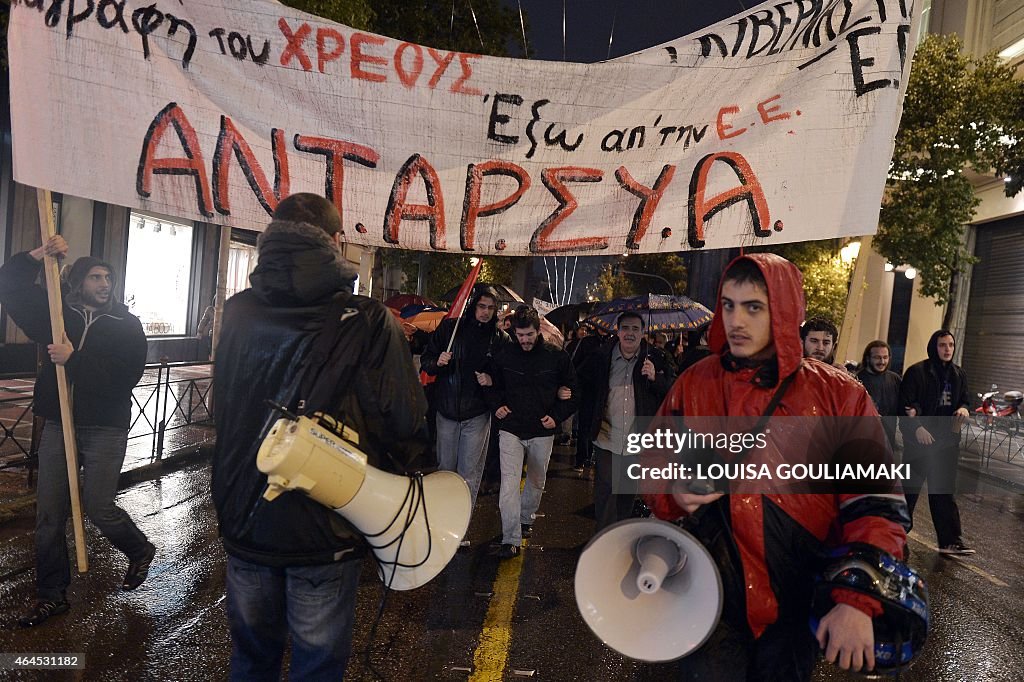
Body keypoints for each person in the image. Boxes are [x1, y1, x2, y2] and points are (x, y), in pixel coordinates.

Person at [644, 254, 909, 679]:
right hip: (709, 597)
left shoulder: (839, 395)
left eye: (753, 307)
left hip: (794, 604)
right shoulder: (695, 382)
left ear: (784, 311)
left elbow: (875, 503)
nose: (735, 320)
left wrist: (858, 600)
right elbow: (651, 459)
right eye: (728, 305)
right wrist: (671, 491)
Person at [210, 193, 429, 679]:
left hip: (245, 516)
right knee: (317, 665)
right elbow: (403, 422)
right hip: (327, 522)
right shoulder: (369, 320)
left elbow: (222, 408)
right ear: (336, 242)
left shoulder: (239, 312)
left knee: (250, 660)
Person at [0, 237, 154, 628]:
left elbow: (124, 378)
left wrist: (75, 360)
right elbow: (12, 288)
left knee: (98, 506)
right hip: (58, 423)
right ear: (78, 281)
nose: (104, 284)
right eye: (96, 277)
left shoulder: (127, 325)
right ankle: (52, 595)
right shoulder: (57, 313)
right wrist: (39, 255)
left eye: (108, 278)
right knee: (49, 515)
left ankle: (138, 548)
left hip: (105, 426)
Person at [483, 306, 577, 558]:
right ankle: (510, 538)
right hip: (511, 429)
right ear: (514, 332)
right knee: (509, 485)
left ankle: (526, 519)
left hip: (542, 431)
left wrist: (556, 416)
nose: (524, 339)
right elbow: (491, 384)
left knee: (536, 482)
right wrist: (497, 405)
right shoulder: (504, 355)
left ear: (538, 331)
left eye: (529, 334)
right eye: (520, 334)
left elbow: (573, 392)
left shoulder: (556, 356)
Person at [579, 311, 675, 532]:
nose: (630, 333)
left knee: (626, 495)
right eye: (625, 328)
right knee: (606, 492)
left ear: (643, 333)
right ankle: (604, 540)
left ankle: (620, 537)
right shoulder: (601, 357)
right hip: (606, 436)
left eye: (635, 329)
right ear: (618, 330)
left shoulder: (656, 359)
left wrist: (656, 378)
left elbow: (673, 391)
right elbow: (580, 383)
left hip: (637, 439)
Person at [420, 285, 510, 512]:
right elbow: (426, 360)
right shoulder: (451, 328)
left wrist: (492, 380)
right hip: (447, 410)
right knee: (445, 470)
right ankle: (442, 517)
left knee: (469, 473)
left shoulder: (500, 338)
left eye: (491, 308)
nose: (486, 312)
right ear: (473, 305)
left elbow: (508, 376)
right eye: (482, 306)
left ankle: (461, 524)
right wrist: (437, 362)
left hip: (477, 414)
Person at [899, 330, 974, 556]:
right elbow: (905, 406)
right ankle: (895, 537)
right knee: (908, 492)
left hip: (946, 444)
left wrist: (964, 409)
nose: (947, 349)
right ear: (934, 346)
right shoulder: (916, 373)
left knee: (943, 494)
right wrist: (917, 429)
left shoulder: (958, 375)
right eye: (943, 345)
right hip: (919, 445)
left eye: (950, 344)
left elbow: (965, 400)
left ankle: (950, 541)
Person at [856, 341, 902, 450]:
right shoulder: (857, 380)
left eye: (885, 357)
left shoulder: (894, 379)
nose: (882, 361)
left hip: (889, 442)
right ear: (868, 358)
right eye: (877, 357)